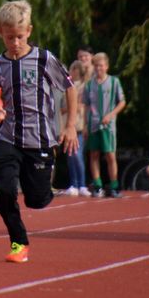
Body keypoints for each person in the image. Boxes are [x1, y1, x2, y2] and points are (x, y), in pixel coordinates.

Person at [0, 0, 78, 263]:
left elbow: (69, 88)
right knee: (3, 192)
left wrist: (70, 125)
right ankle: (19, 243)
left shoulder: (44, 59)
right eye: (10, 37)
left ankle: (48, 182)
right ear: (0, 32)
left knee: (36, 200)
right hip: (7, 136)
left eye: (20, 37)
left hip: (39, 139)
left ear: (29, 31)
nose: (15, 42)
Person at [83, 52, 126, 198]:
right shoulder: (89, 85)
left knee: (110, 154)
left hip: (109, 125)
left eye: (101, 65)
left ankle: (114, 185)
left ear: (106, 66)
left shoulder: (114, 82)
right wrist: (85, 125)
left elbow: (122, 102)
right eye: (96, 66)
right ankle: (97, 185)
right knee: (94, 154)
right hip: (93, 124)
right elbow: (86, 106)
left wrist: (111, 114)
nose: (98, 68)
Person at [61, 60, 90, 196]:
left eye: (75, 69)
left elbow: (82, 106)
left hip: (79, 125)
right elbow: (63, 107)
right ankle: (73, 184)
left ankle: (82, 184)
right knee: (70, 156)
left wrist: (86, 125)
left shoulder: (84, 86)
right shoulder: (65, 86)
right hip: (67, 125)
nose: (72, 72)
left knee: (77, 155)